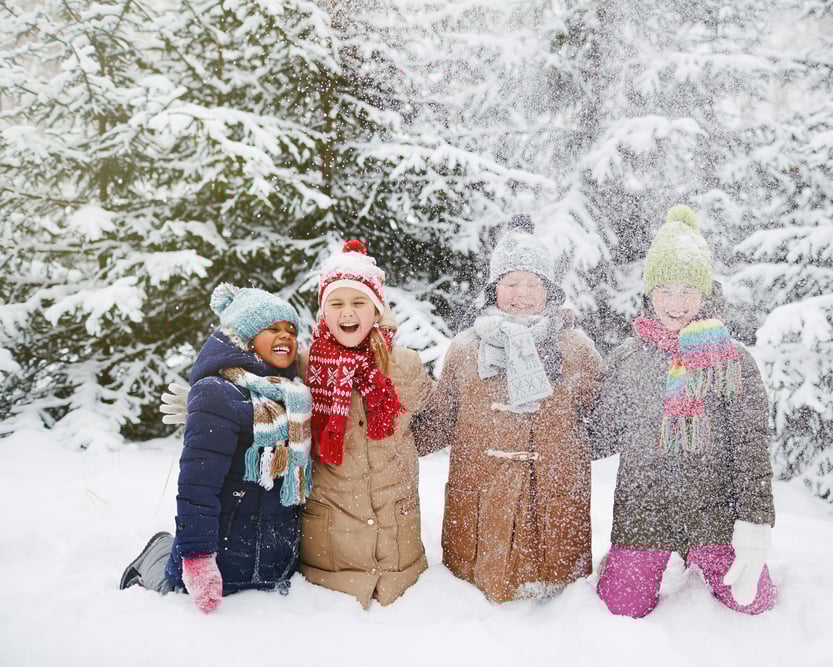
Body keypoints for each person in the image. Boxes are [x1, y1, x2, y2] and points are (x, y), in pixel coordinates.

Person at [589, 204, 778, 617]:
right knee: (622, 609)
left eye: (688, 291)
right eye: (665, 291)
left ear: (705, 293)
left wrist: (753, 526)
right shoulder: (629, 357)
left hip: (715, 514)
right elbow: (600, 433)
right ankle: (622, 563)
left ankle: (701, 556)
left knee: (756, 603)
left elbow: (751, 445)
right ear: (650, 294)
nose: (676, 304)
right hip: (644, 511)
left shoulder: (731, 359)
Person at [412, 215, 602, 602]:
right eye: (511, 283)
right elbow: (439, 421)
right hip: (483, 519)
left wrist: (564, 456)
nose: (523, 294)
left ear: (549, 290)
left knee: (561, 608)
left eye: (534, 283)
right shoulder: (465, 349)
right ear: (493, 290)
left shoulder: (575, 348)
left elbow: (605, 418)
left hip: (553, 514)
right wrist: (387, 438)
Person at [120, 284, 312, 615]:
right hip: (220, 556)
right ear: (245, 337)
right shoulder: (216, 393)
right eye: (272, 329)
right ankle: (154, 554)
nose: (286, 337)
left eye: (291, 330)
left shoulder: (294, 397)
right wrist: (198, 561)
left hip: (270, 563)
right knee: (169, 589)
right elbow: (197, 488)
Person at [297, 240, 433, 609]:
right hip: (327, 572)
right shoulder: (304, 366)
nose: (347, 313)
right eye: (336, 304)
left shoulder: (404, 365)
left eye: (358, 302)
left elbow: (434, 424)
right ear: (323, 312)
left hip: (402, 569)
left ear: (377, 308)